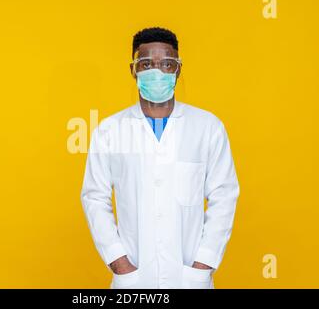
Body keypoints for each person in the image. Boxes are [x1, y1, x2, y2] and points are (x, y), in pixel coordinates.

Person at [80, 27, 240, 289]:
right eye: (146, 64)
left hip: (190, 277)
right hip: (133, 278)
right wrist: (119, 262)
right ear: (133, 70)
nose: (157, 72)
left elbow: (224, 196)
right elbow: (94, 198)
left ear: (178, 69)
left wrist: (203, 265)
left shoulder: (207, 127)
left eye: (167, 64)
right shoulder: (109, 131)